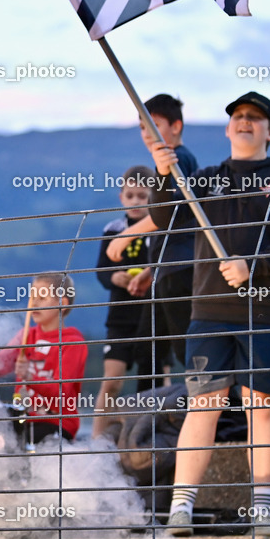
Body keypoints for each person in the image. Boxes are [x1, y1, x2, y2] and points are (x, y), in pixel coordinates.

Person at [149, 91, 270, 536]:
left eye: (255, 118)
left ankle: (264, 508)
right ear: (228, 129)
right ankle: (180, 509)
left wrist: (255, 266)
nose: (245, 122)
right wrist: (165, 174)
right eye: (238, 117)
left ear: (268, 131)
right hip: (207, 310)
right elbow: (166, 217)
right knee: (202, 406)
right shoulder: (204, 179)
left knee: (260, 408)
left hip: (266, 312)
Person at [106, 95, 200, 376]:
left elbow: (167, 214)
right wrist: (151, 271)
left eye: (154, 125)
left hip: (181, 270)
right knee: (152, 348)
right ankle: (156, 415)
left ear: (176, 126)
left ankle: (216, 414)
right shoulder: (176, 161)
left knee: (185, 351)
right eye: (143, 127)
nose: (147, 134)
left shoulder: (178, 159)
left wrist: (126, 235)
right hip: (167, 269)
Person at [0, 273, 87, 443]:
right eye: (32, 297)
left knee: (25, 440)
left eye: (42, 297)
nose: (34, 303)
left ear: (62, 303)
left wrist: (30, 377)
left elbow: (61, 394)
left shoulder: (72, 343)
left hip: (55, 422)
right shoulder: (26, 336)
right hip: (24, 416)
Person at [92, 166, 155, 437]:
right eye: (131, 195)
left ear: (153, 197)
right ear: (122, 197)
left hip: (152, 314)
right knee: (112, 380)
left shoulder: (159, 228)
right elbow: (101, 270)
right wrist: (114, 277)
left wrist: (149, 274)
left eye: (143, 196)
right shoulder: (113, 229)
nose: (136, 202)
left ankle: (150, 436)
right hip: (120, 315)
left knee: (153, 381)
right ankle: (96, 440)